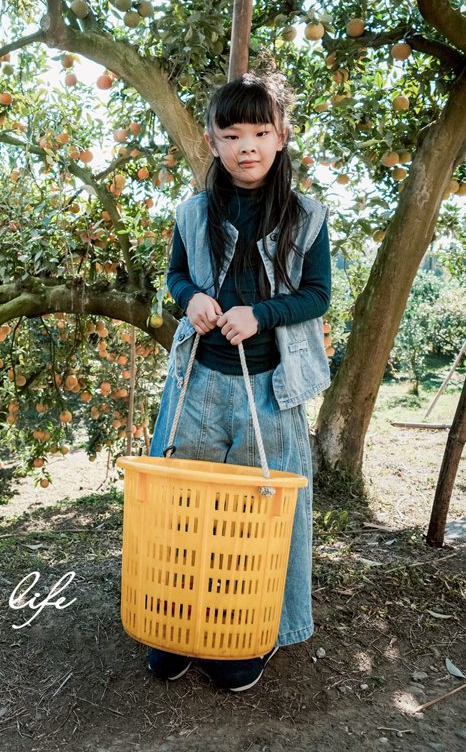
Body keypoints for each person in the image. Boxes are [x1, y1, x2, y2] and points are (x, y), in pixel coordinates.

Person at [146, 71, 332, 692]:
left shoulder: (307, 216)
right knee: (184, 512)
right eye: (231, 135)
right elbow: (176, 277)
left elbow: (317, 295)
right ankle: (176, 625)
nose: (245, 146)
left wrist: (262, 314)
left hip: (271, 391)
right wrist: (192, 298)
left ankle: (250, 631)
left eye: (259, 132)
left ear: (280, 136)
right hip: (197, 384)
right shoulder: (193, 212)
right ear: (212, 141)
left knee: (258, 519)